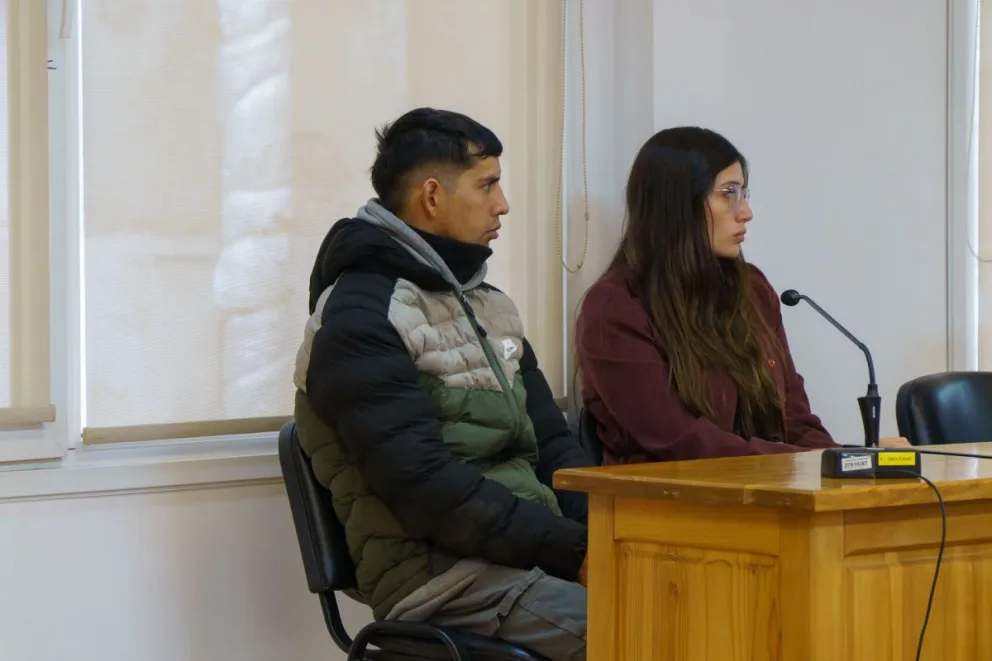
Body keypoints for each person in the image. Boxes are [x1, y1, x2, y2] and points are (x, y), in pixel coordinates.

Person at [292, 108, 589, 660]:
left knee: (702, 600)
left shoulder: (489, 306)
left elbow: (553, 446)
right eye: (488, 184)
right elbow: (427, 490)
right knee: (653, 629)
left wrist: (607, 537)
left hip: (529, 556)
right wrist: (575, 554)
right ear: (432, 196)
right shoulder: (362, 318)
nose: (503, 204)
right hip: (443, 579)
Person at [575, 126, 911, 464]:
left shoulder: (752, 290)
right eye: (728, 193)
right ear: (677, 203)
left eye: (744, 193)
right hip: (670, 505)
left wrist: (853, 461)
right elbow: (682, 442)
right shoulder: (615, 309)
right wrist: (821, 461)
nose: (745, 211)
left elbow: (796, 422)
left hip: (765, 493)